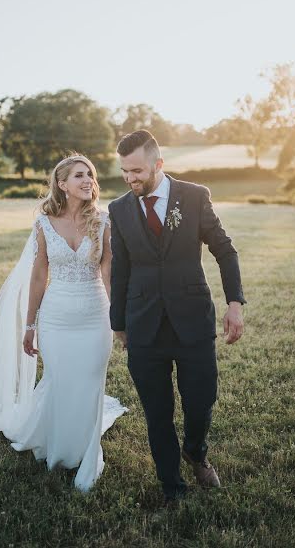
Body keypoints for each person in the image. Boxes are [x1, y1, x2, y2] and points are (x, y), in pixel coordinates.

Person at [0, 155, 127, 491]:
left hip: (95, 315)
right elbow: (39, 276)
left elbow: (108, 272)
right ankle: (57, 441)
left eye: (91, 175)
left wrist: (118, 320)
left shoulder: (104, 220)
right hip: (56, 317)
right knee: (59, 378)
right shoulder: (44, 223)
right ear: (62, 184)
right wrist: (30, 325)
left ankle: (85, 450)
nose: (88, 181)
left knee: (90, 380)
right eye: (79, 175)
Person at [108, 130, 245, 505]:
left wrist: (235, 303)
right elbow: (120, 270)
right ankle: (172, 485)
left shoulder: (194, 197)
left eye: (137, 170)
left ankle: (196, 452)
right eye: (124, 171)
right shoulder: (118, 209)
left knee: (201, 400)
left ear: (158, 164)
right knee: (157, 411)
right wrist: (118, 323)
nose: (131, 178)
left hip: (192, 321)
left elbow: (225, 251)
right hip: (143, 324)